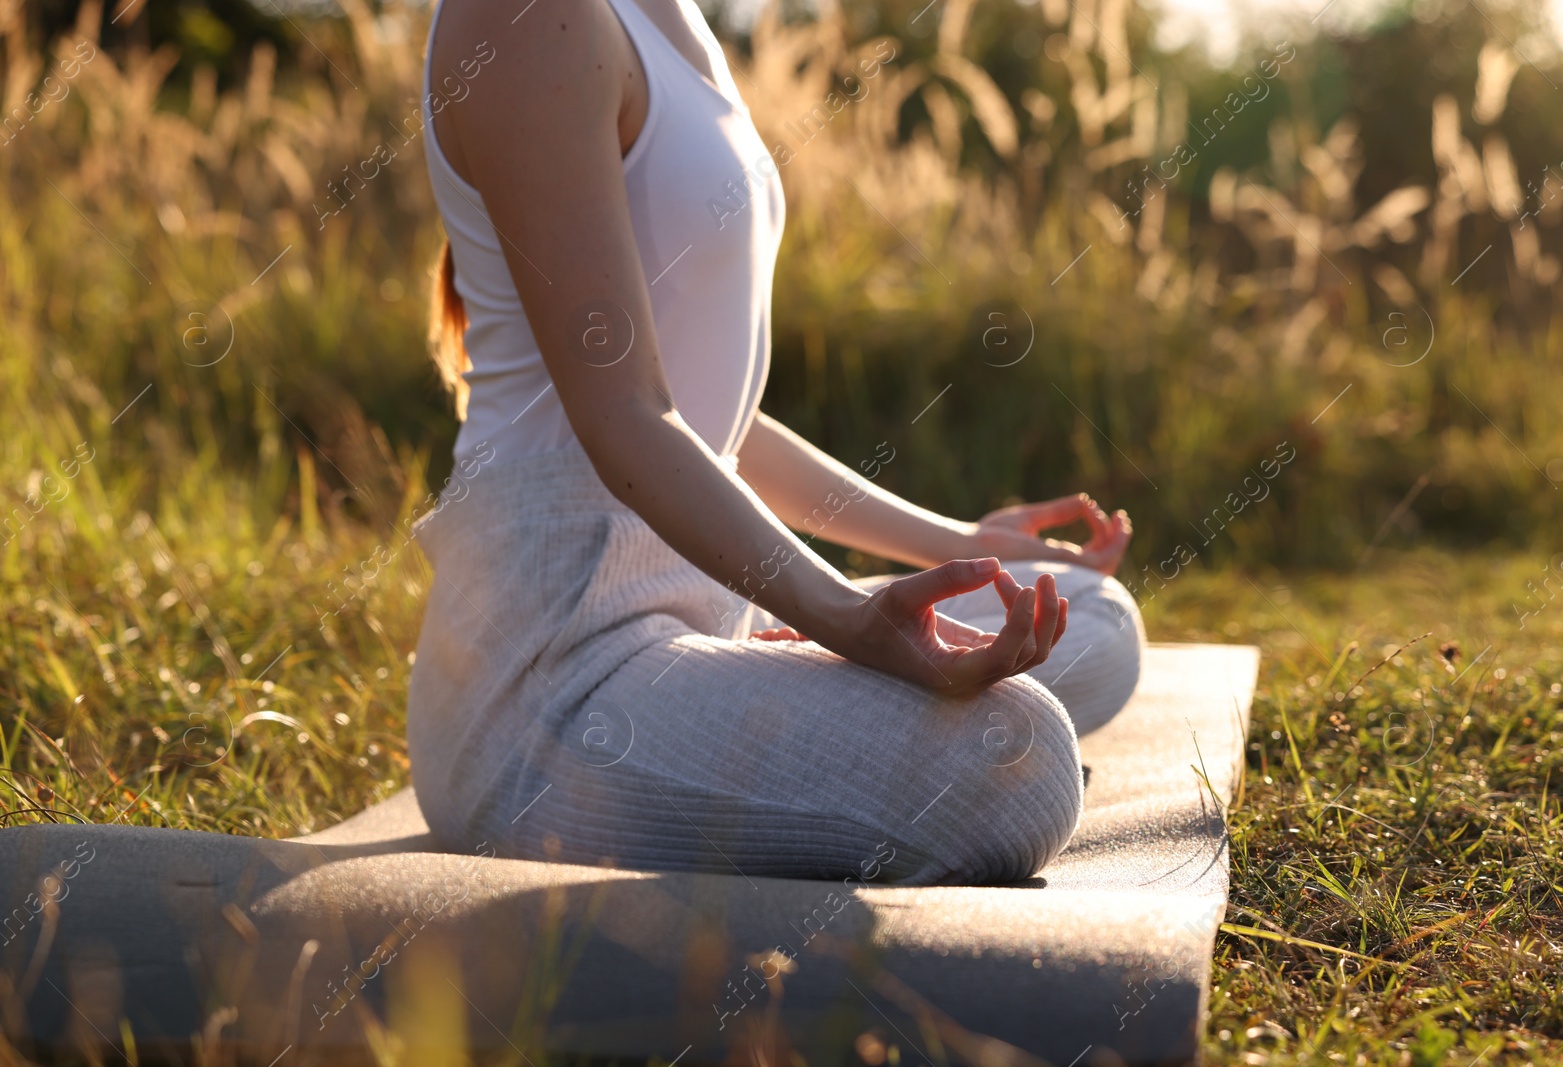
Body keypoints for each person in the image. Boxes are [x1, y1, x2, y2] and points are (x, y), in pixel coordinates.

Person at [404, 0, 1144, 886]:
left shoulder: (668, 18)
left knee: (1091, 618)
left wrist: (963, 544)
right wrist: (842, 617)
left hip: (708, 616)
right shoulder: (526, 19)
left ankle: (758, 678)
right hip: (552, 683)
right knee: (1017, 757)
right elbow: (627, 416)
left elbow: (723, 419)